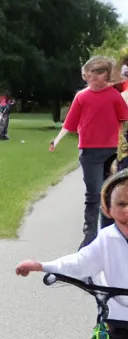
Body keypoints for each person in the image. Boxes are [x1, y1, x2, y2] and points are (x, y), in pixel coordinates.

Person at [15, 170, 128, 339]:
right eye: (121, 203)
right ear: (108, 208)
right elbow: (81, 262)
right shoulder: (107, 239)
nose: (127, 209)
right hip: (118, 319)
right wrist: (41, 266)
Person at [49, 56, 128, 249]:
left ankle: (110, 235)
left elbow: (123, 118)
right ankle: (90, 236)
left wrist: (118, 137)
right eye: (90, 74)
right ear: (85, 76)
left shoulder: (113, 96)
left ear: (107, 76)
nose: (94, 78)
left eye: (99, 74)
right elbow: (69, 123)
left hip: (110, 151)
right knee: (93, 194)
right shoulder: (82, 97)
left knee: (110, 192)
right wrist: (56, 140)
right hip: (89, 153)